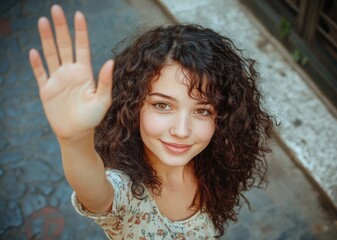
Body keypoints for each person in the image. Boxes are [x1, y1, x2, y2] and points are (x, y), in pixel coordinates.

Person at [29, 4, 274, 239]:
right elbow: (95, 193)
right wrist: (74, 140)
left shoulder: (211, 164)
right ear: (133, 106)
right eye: (162, 105)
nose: (181, 130)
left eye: (202, 111)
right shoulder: (127, 194)